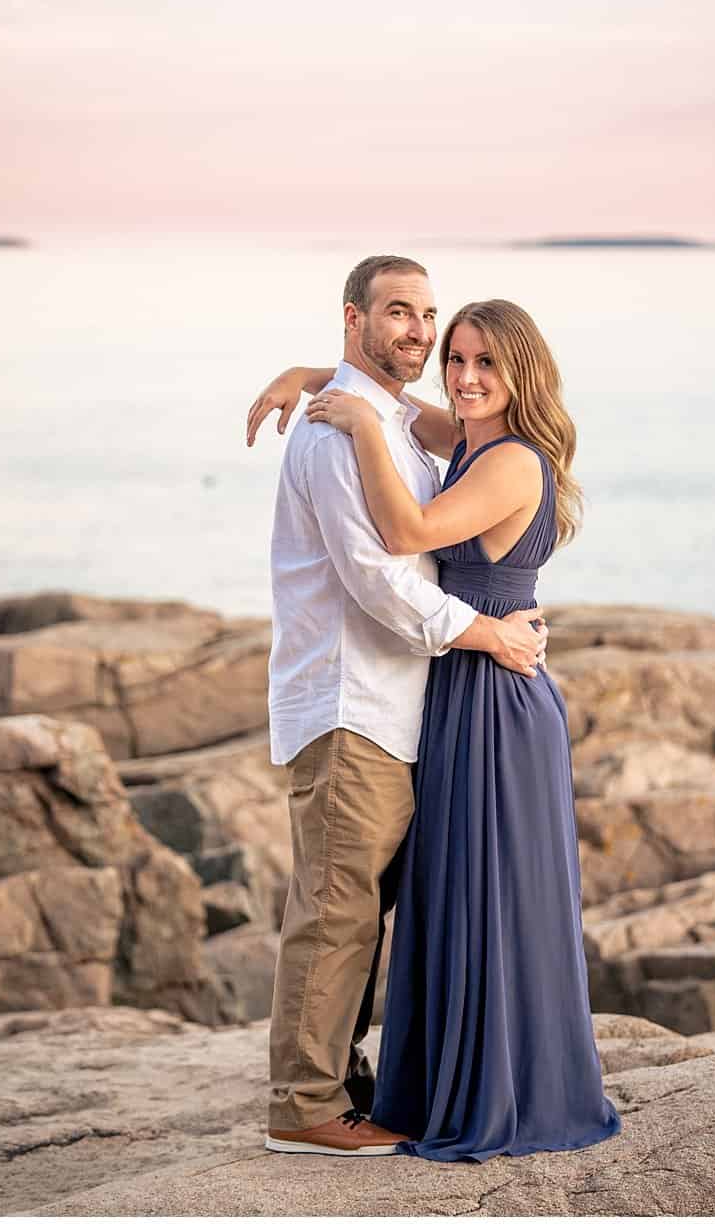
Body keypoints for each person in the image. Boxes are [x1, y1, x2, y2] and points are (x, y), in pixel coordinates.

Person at [300, 298, 620, 1160]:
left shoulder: (512, 460)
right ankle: (441, 1079)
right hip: (457, 684)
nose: (467, 378)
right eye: (457, 359)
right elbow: (407, 411)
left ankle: (498, 1092)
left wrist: (360, 426)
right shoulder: (471, 432)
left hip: (496, 694)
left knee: (491, 894)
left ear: (522, 372)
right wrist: (314, 381)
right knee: (447, 891)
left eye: (486, 363)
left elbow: (407, 529)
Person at [258, 255, 553, 1156]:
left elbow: (411, 496)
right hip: (356, 703)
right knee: (339, 905)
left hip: (407, 708)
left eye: (428, 313)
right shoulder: (340, 436)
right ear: (356, 319)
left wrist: (320, 374)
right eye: (402, 313)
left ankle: (340, 1083)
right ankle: (305, 1104)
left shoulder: (396, 423)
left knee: (369, 904)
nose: (424, 335)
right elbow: (383, 576)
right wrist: (487, 634)